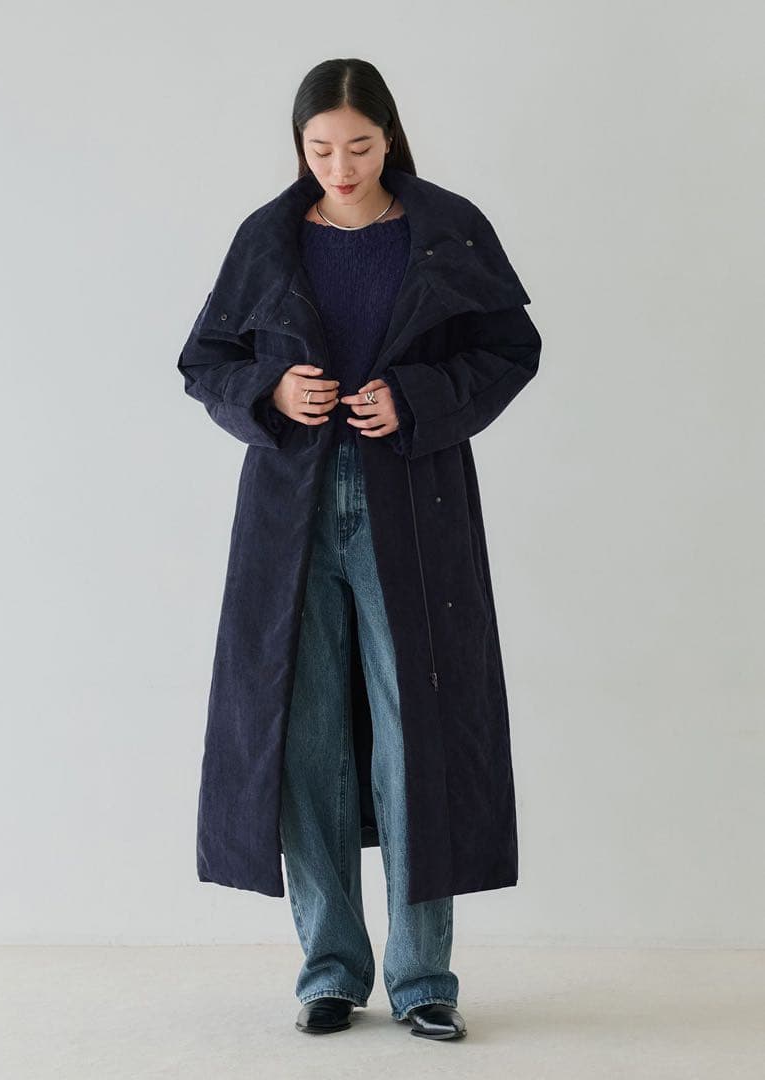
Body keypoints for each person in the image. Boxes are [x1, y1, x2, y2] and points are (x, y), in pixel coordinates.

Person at [177, 57, 542, 1042]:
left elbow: (510, 350)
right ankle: (329, 972)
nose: (341, 167)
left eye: (360, 146)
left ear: (390, 138)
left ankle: (424, 980)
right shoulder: (267, 238)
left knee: (416, 731)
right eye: (321, 148)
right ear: (300, 147)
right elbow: (205, 361)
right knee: (305, 743)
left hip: (412, 508)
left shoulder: (446, 229)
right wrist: (268, 391)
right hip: (289, 516)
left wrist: (415, 397)